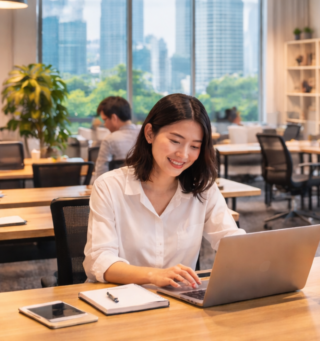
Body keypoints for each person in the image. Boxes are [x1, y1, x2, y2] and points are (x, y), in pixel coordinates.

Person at [83, 94, 244, 287]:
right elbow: (99, 260)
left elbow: (229, 240)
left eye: (194, 146)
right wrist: (153, 275)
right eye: (175, 141)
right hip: (120, 302)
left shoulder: (203, 188)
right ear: (150, 133)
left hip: (179, 304)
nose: (183, 154)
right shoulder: (109, 186)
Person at [93, 96, 141, 181]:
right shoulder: (146, 134)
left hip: (117, 191)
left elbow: (100, 175)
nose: (104, 124)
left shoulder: (109, 140)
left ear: (114, 118)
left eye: (105, 120)